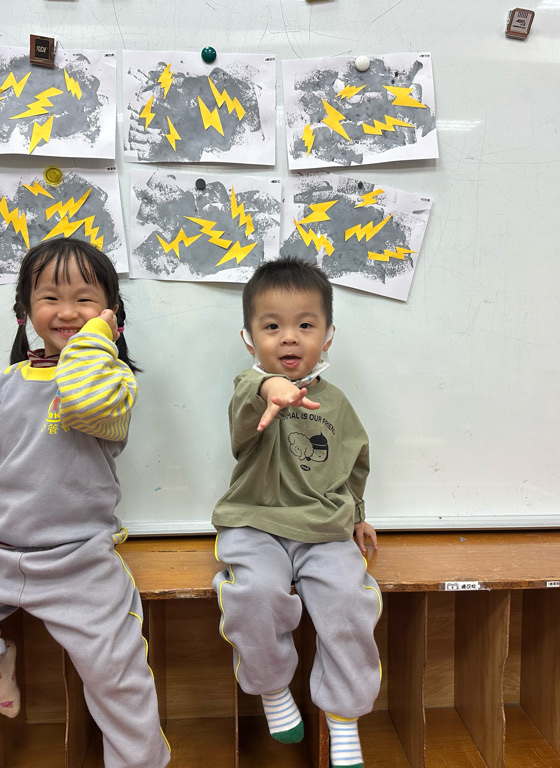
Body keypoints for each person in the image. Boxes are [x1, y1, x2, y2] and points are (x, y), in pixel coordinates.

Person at [0, 239, 169, 768]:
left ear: (112, 316)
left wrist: (96, 340)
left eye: (85, 300)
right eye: (50, 298)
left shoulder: (112, 381)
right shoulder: (3, 385)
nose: (67, 312)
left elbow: (84, 402)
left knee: (118, 678)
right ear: (25, 311)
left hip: (78, 560)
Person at [212, 257, 381, 768]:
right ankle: (271, 687)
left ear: (327, 336)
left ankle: (344, 716)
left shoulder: (338, 404)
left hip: (324, 529)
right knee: (256, 595)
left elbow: (354, 464)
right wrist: (270, 388)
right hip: (255, 524)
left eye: (305, 325)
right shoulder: (249, 390)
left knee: (349, 604)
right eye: (272, 327)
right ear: (250, 339)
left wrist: (357, 514)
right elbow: (249, 395)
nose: (289, 337)